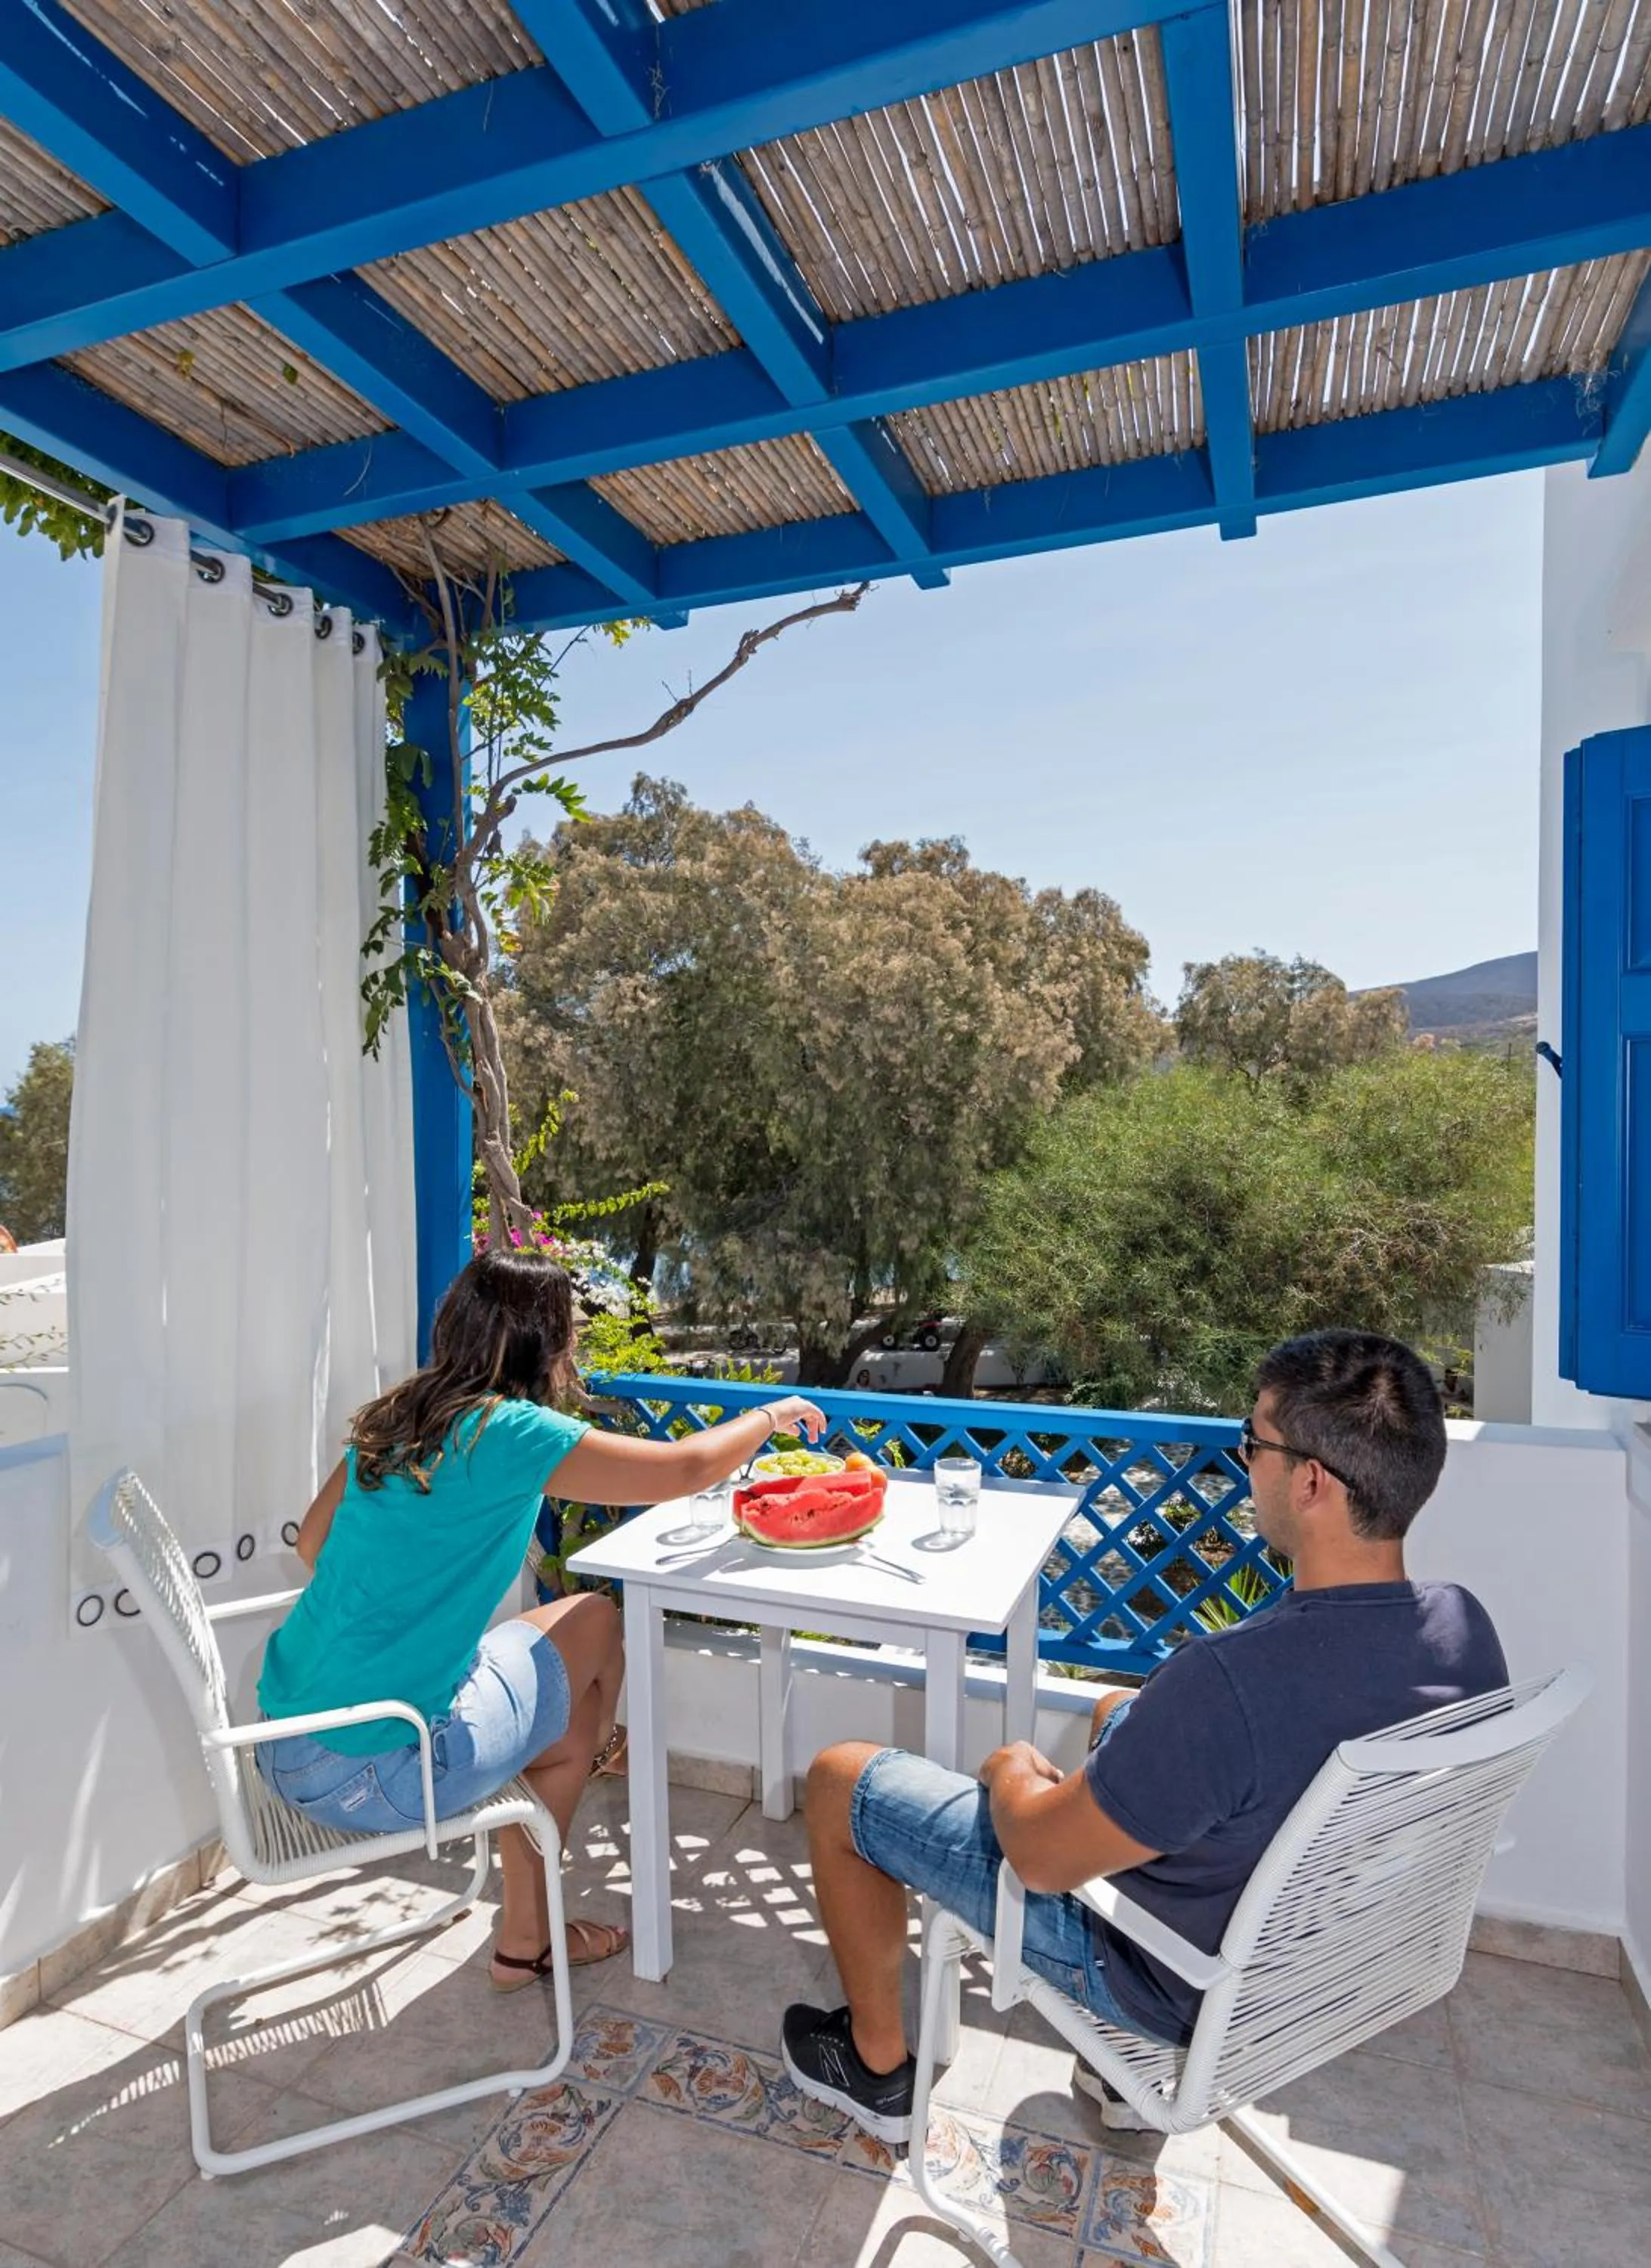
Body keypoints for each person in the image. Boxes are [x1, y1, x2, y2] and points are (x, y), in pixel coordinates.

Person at [781, 1328, 1508, 2144]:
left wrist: (1011, 1774)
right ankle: (1115, 2084)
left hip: (1166, 1973)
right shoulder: (1462, 1626)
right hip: (1314, 1958)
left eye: (1252, 1443)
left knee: (843, 1778)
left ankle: (874, 2070)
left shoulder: (1230, 1683)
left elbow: (1041, 1859)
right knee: (1113, 1710)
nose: (1244, 1466)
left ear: (1310, 1481)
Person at [257, 1247, 826, 1985]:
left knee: (587, 1627)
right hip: (377, 1765)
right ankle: (537, 1908)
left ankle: (556, 1853)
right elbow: (684, 1470)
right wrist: (774, 1411)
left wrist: (402, 1618)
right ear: (547, 1344)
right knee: (589, 1655)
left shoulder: (404, 1410)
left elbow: (311, 1543)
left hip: (282, 1742)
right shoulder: (511, 1432)